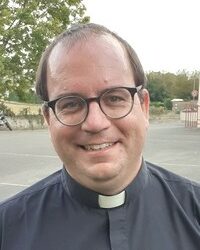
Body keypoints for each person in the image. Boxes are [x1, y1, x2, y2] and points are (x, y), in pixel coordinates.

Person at [0, 23, 199, 250]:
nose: (95, 123)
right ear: (48, 118)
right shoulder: (7, 231)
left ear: (144, 106)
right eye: (71, 104)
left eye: (114, 98)